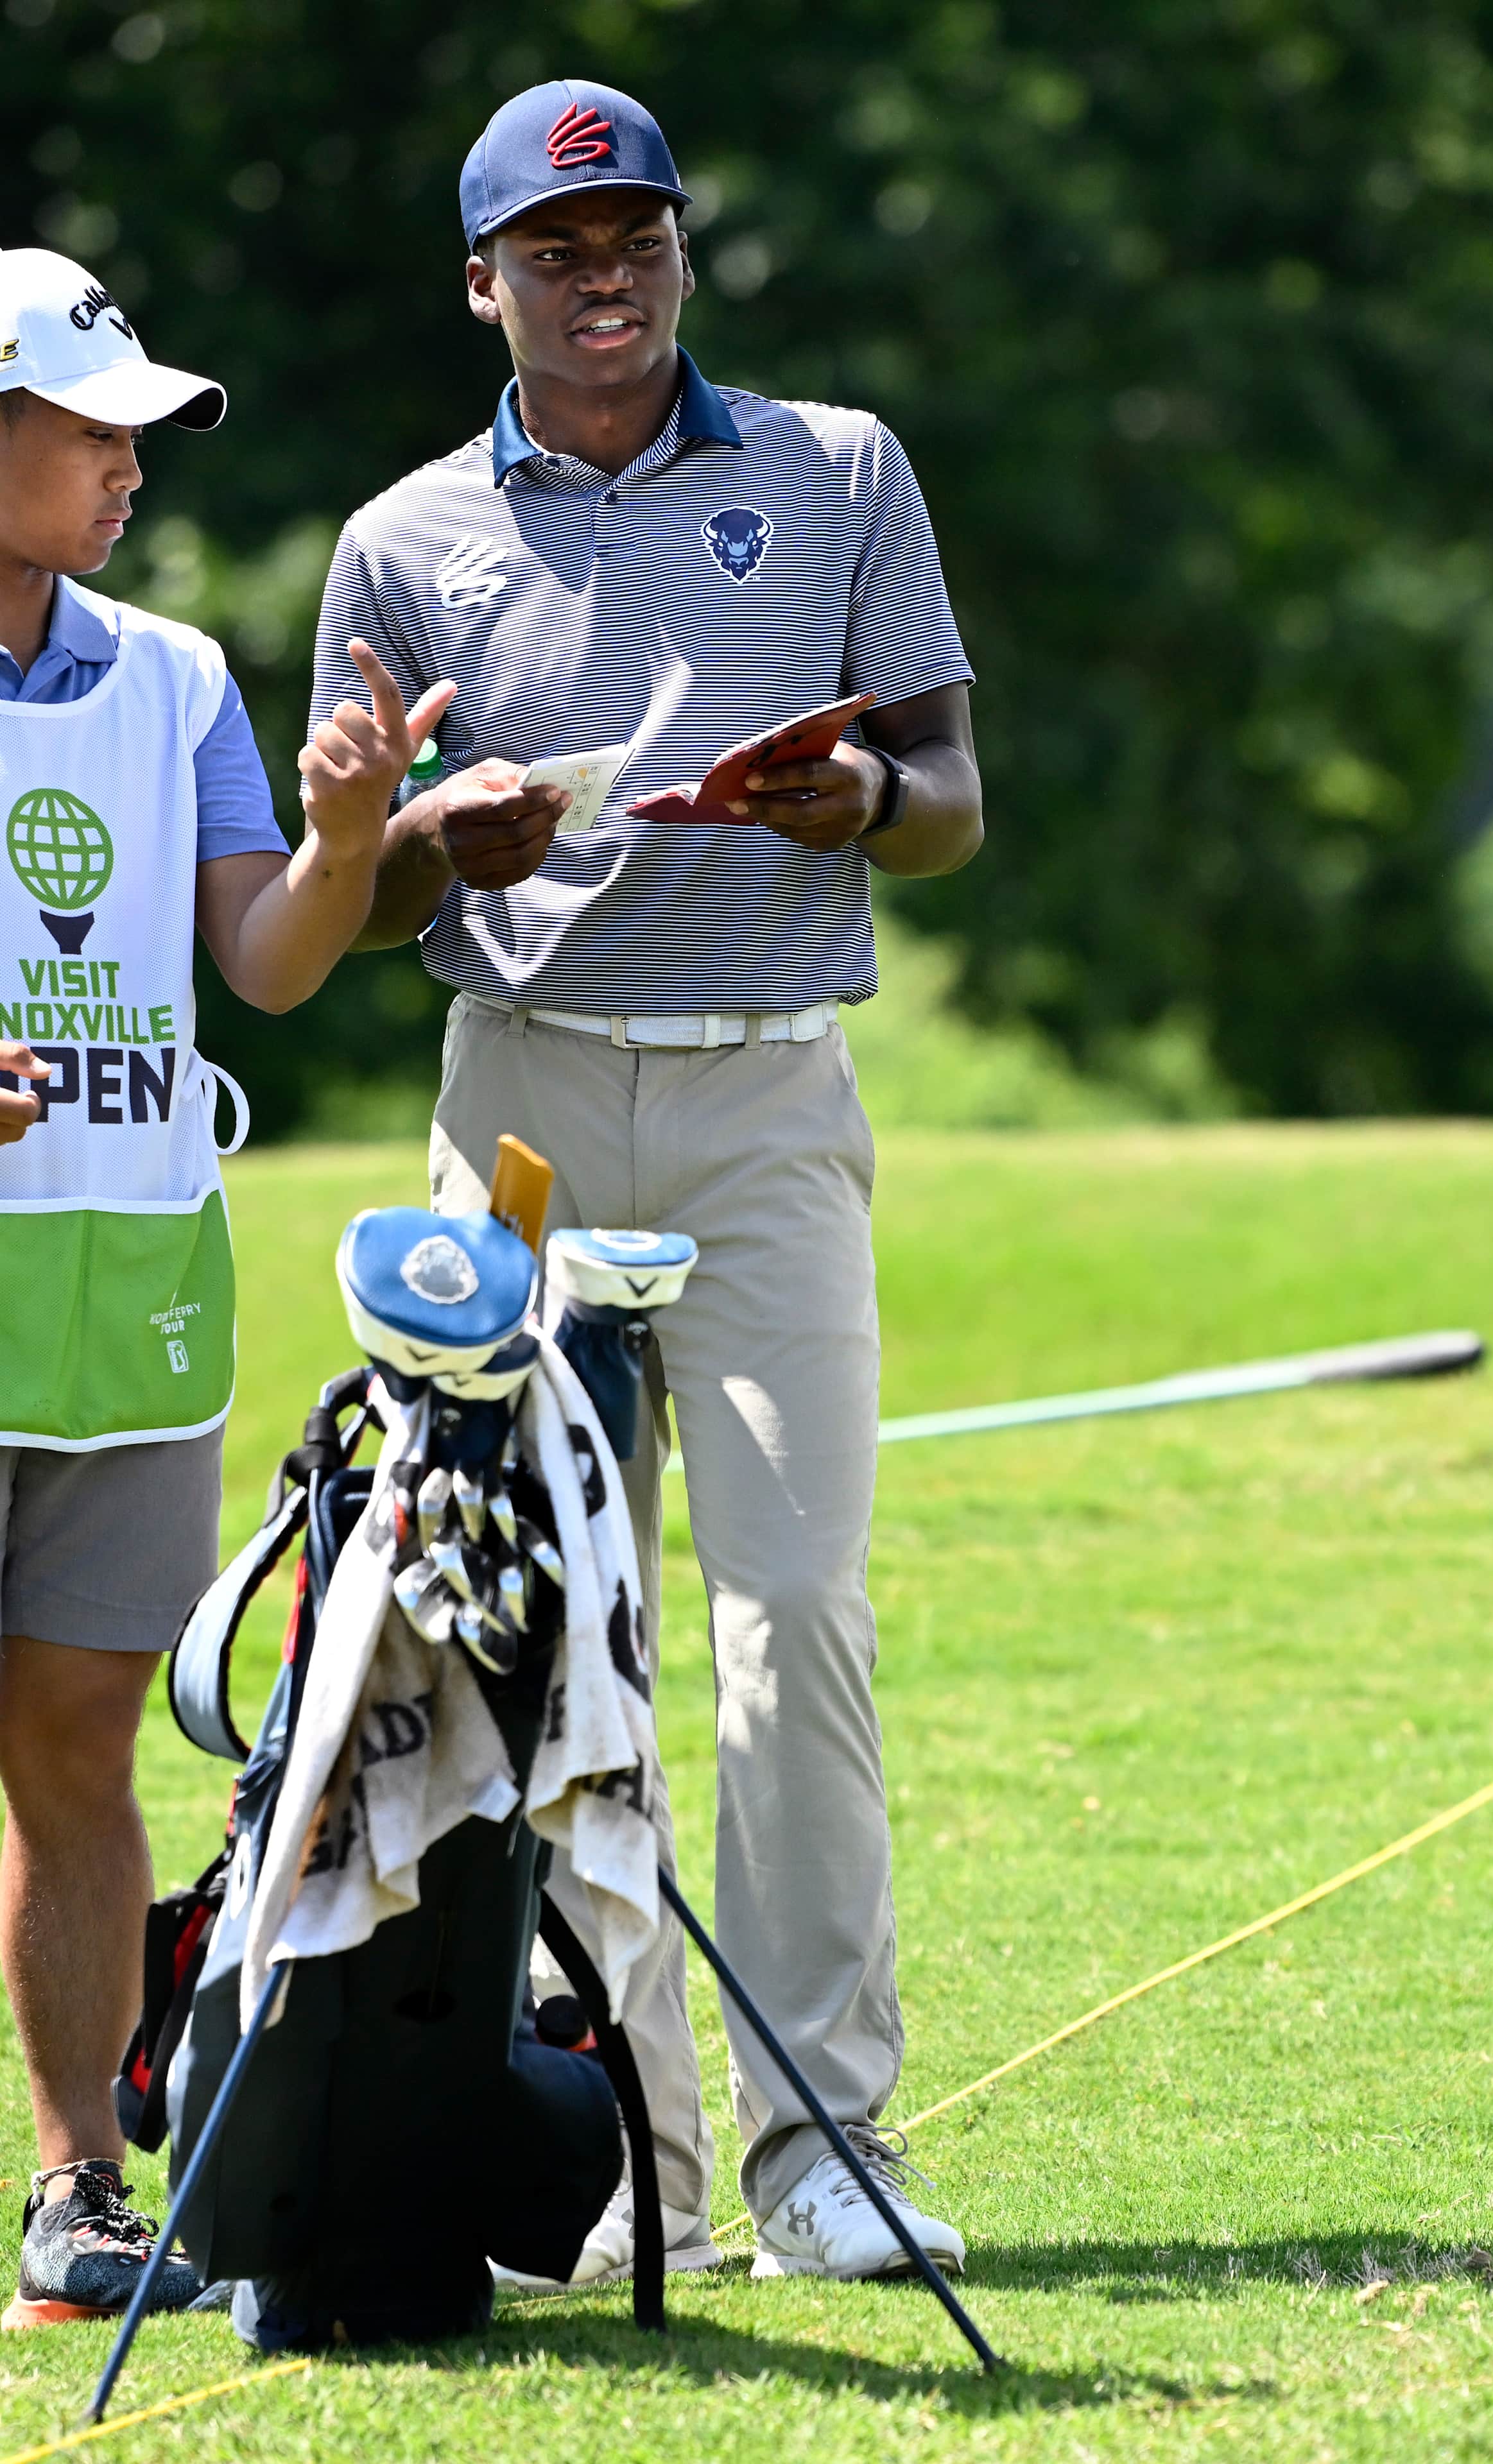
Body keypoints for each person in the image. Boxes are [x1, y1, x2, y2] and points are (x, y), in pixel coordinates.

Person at [320, 80, 985, 2285]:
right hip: (514, 1107)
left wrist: (865, 792)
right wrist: (438, 842)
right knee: (526, 1646)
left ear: (684, 259)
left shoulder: (837, 467)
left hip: (767, 1102)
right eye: (560, 248)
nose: (608, 277)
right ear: (485, 283)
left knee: (793, 1614)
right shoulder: (401, 542)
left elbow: (957, 788)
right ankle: (623, 2175)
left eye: (642, 239)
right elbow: (347, 893)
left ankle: (821, 2151)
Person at [0, 247, 445, 2327]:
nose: (126, 475)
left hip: (133, 1292)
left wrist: (353, 846)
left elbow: (261, 954)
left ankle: (80, 2186)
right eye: (94, 434)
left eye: (135, 441)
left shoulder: (173, 676)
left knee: (82, 1754)